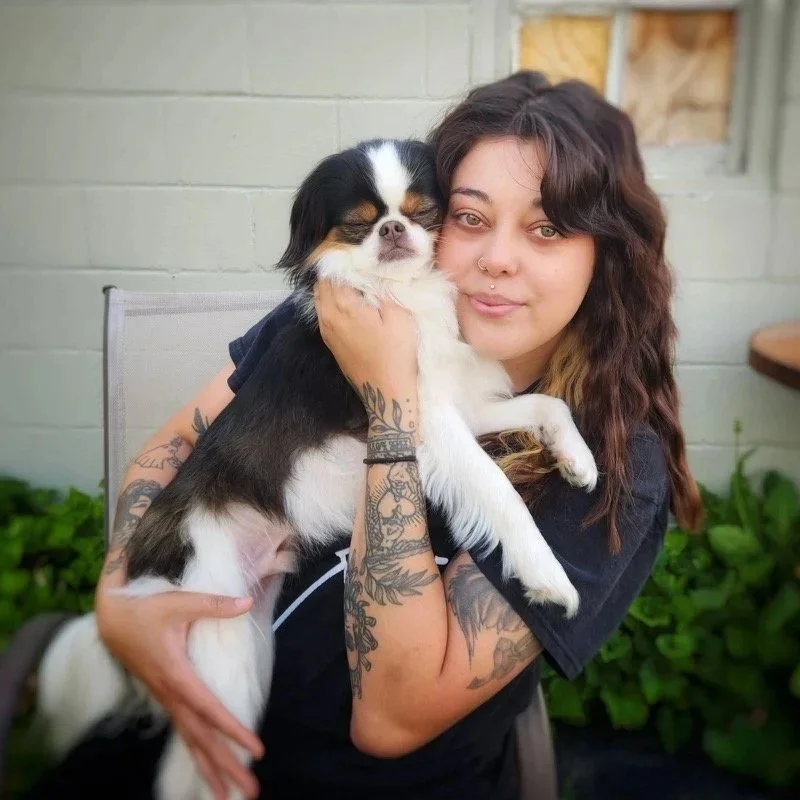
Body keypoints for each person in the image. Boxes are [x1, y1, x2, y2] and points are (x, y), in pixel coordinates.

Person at [28, 71, 701, 800]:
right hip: (206, 703)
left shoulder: (615, 465)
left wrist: (388, 402)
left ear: (606, 253)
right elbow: (175, 450)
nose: (498, 258)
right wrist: (118, 599)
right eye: (471, 218)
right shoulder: (338, 315)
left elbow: (389, 724)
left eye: (547, 229)